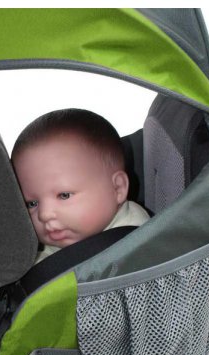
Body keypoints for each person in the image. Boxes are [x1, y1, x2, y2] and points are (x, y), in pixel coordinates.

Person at [11, 108, 149, 264]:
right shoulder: (57, 242)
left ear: (117, 188)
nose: (44, 214)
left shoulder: (137, 243)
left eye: (64, 195)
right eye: (31, 204)